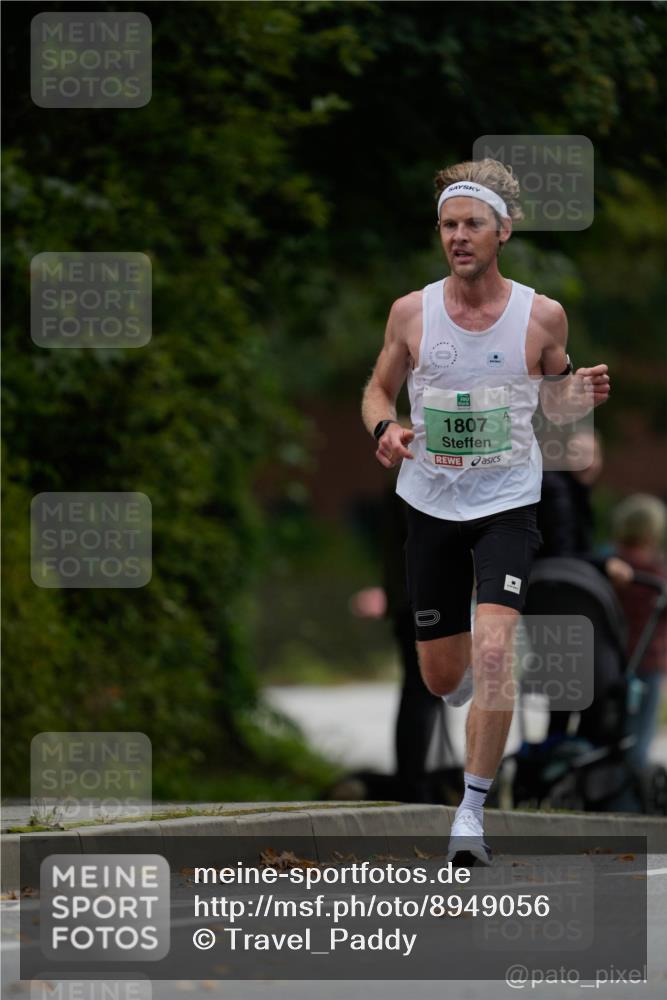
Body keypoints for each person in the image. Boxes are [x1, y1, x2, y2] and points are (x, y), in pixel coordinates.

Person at [361, 158, 610, 865]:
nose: (458, 236)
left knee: (497, 652)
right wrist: (386, 428)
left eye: (472, 223)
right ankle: (467, 671)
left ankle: (469, 815)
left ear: (503, 231)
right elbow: (377, 390)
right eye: (448, 225)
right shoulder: (412, 312)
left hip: (506, 503)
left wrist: (576, 396)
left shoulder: (541, 315)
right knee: (444, 678)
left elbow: (556, 399)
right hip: (429, 503)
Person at [610, 494, 667, 768]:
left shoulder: (610, 566)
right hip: (647, 661)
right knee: (640, 735)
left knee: (614, 730)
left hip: (610, 660)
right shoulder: (656, 573)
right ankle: (632, 786)